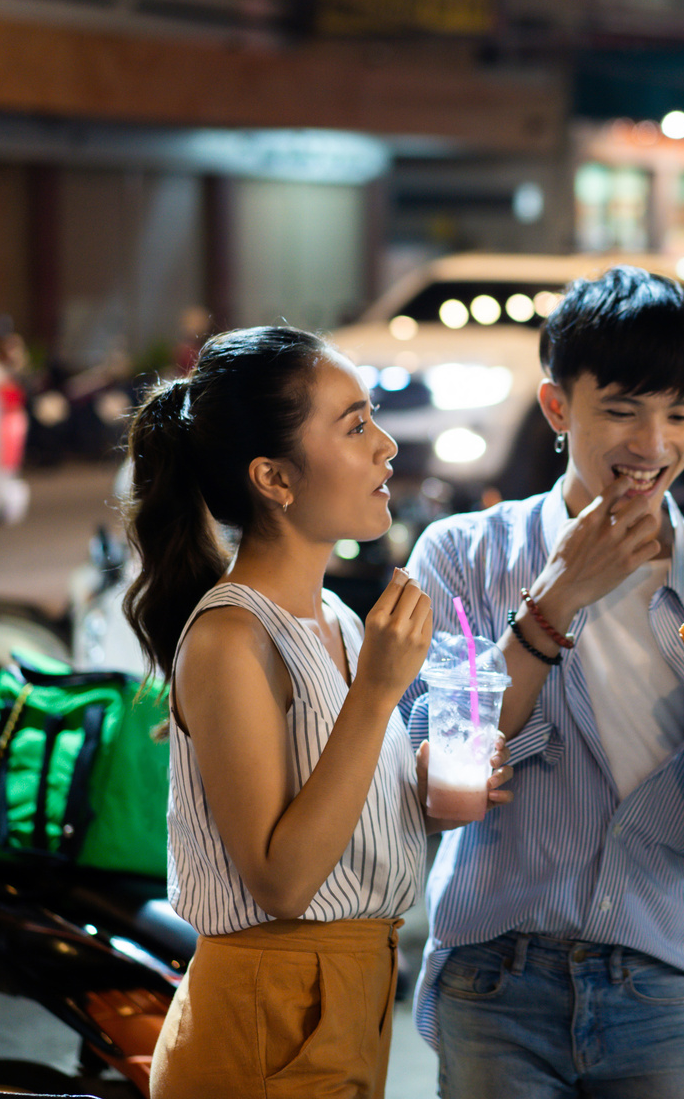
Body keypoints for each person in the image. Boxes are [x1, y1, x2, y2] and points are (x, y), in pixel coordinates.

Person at [401, 265, 684, 1098]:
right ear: (557, 408)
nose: (652, 446)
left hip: (660, 987)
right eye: (621, 410)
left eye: (678, 412)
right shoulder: (463, 558)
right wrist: (553, 605)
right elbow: (436, 778)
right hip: (493, 979)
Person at [123, 326, 508, 1098]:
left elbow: (327, 813)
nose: (387, 446)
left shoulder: (332, 615)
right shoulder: (232, 635)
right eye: (356, 424)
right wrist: (375, 695)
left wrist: (416, 791)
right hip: (269, 1016)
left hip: (346, 998)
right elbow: (283, 881)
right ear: (274, 477)